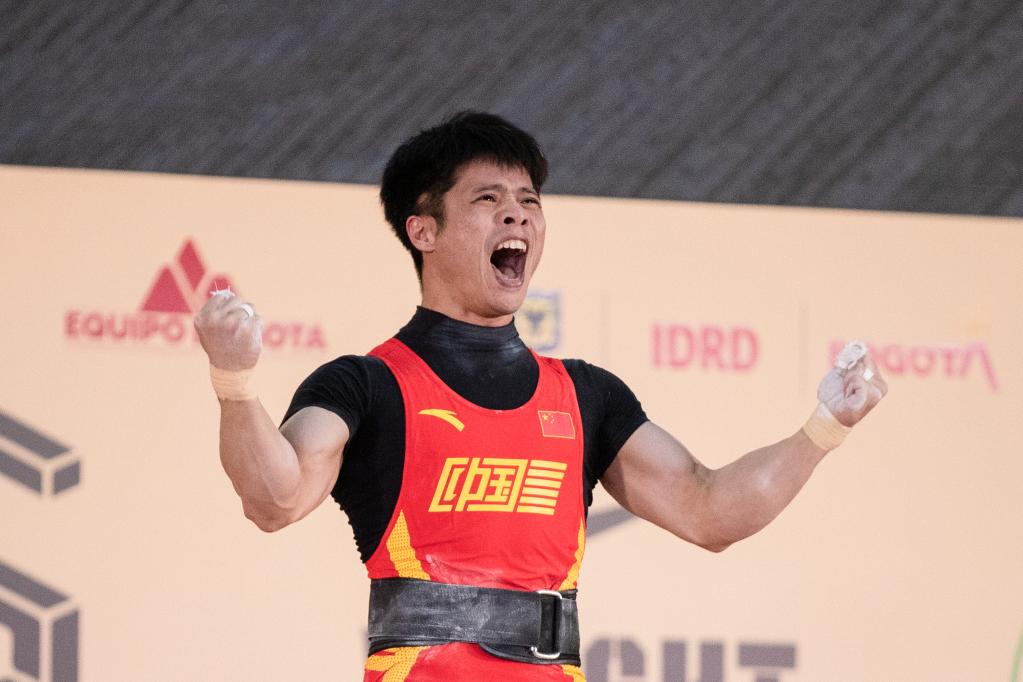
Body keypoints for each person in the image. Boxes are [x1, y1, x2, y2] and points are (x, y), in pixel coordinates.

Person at [194, 111, 887, 681]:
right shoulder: (365, 385)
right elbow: (275, 499)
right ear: (422, 229)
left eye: (529, 202)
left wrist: (824, 427)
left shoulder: (586, 395)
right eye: (488, 200)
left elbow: (710, 512)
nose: (518, 217)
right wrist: (235, 382)